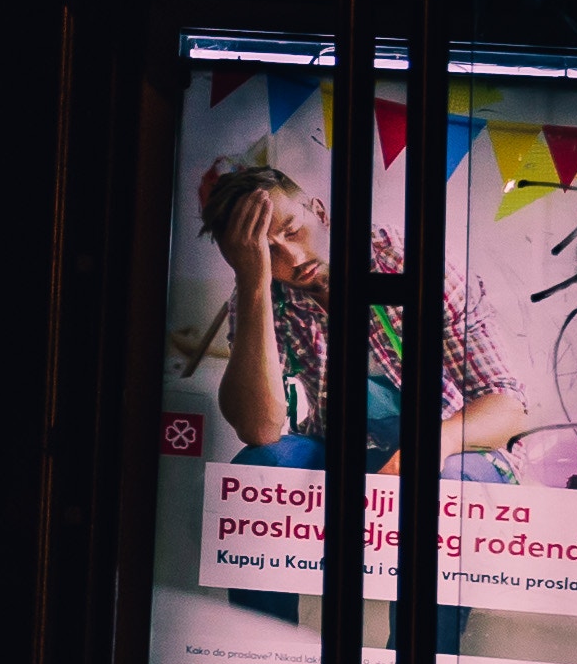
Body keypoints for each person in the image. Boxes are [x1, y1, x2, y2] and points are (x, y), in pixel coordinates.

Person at [200, 157, 526, 479]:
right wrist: (253, 282)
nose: (294, 258)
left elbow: (508, 406)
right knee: (261, 464)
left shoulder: (405, 259)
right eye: (268, 251)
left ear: (320, 212)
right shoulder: (259, 295)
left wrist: (439, 441)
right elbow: (259, 428)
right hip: (341, 448)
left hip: (453, 443)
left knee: (444, 479)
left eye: (293, 231)